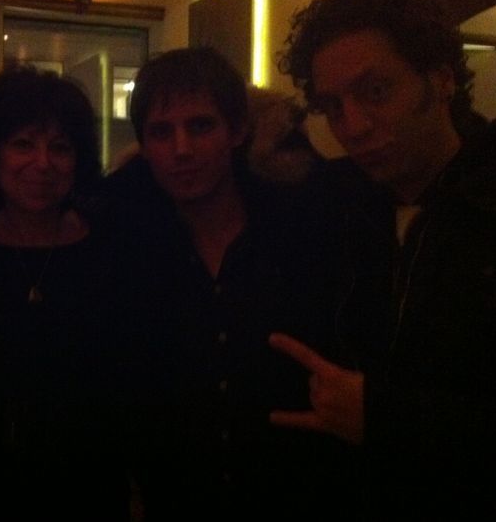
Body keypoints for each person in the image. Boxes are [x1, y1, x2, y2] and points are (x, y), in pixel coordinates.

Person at [275, 0, 496, 519]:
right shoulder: (343, 207)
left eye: (376, 92)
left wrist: (386, 418)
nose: (353, 127)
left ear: (440, 79)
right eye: (332, 106)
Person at [101, 47, 361, 521]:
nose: (181, 149)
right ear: (144, 146)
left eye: (200, 126)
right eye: (162, 132)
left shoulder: (304, 231)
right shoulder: (128, 244)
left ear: (237, 131)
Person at [0, 66, 131, 521]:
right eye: (22, 144)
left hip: (90, 492)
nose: (43, 163)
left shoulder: (112, 250)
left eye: (60, 147)